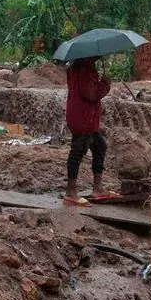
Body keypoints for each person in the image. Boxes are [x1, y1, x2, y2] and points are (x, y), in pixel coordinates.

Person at [64, 56, 112, 205]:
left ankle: (97, 187)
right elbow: (90, 93)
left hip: (85, 118)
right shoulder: (84, 67)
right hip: (83, 118)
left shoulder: (80, 65)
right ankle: (71, 192)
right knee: (78, 151)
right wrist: (105, 84)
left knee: (99, 146)